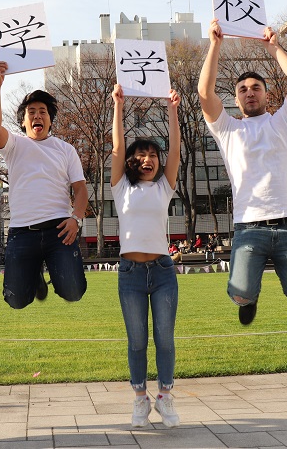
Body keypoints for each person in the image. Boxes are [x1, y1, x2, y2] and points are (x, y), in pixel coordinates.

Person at [198, 18, 287, 326]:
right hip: (249, 228)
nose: (250, 93)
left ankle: (277, 275)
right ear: (236, 99)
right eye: (242, 89)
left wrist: (273, 47)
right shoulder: (228, 129)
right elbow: (204, 91)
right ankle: (249, 297)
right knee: (240, 294)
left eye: (256, 88)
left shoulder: (284, 123)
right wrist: (215, 45)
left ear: (267, 95)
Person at [0, 61, 88, 308]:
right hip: (22, 232)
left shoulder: (66, 150)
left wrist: (76, 218)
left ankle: (53, 267)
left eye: (42, 111)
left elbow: (81, 189)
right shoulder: (14, 145)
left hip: (59, 229)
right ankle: (34, 275)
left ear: (50, 120)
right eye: (31, 112)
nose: (37, 115)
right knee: (17, 300)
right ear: (23, 122)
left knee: (73, 292)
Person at [110, 83, 182, 428]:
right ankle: (140, 397)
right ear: (131, 163)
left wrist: (172, 109)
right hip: (131, 275)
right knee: (137, 339)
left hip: (163, 271)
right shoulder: (120, 187)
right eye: (141, 156)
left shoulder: (164, 186)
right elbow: (116, 147)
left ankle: (165, 395)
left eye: (153, 155)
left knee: (164, 338)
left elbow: (176, 153)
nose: (148, 159)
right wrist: (118, 106)